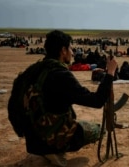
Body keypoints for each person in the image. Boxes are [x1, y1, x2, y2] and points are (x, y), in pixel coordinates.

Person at [18, 30, 118, 166]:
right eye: (70, 48)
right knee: (97, 130)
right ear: (63, 50)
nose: (72, 52)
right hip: (51, 138)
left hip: (33, 140)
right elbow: (97, 101)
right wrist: (110, 73)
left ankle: (47, 148)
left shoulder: (35, 70)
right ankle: (55, 150)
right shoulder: (60, 75)